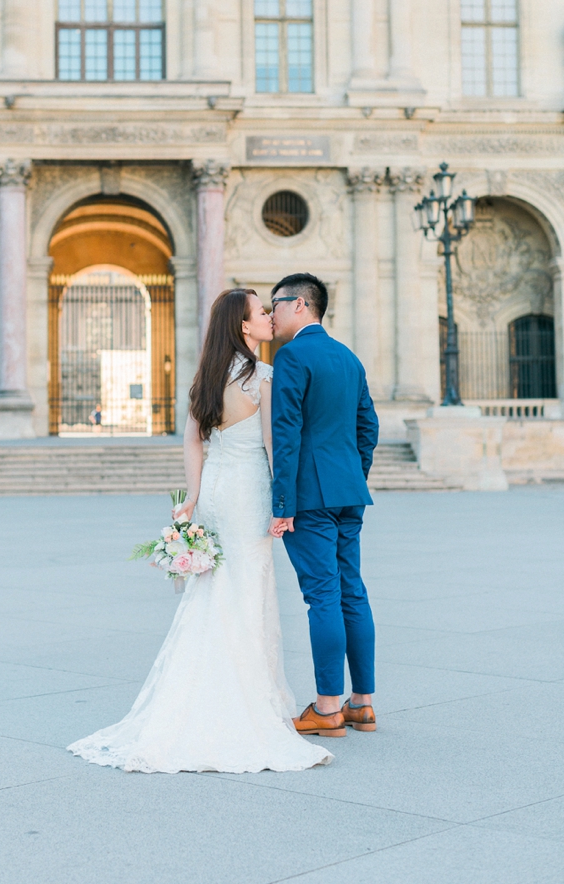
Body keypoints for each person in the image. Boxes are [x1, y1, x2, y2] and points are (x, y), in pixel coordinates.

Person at [67, 288, 332, 773]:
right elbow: (275, 447)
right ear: (243, 327)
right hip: (249, 492)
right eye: (260, 313)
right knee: (249, 592)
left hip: (214, 493)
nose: (270, 318)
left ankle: (196, 693)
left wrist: (191, 496)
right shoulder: (264, 377)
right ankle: (245, 701)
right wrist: (283, 504)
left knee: (212, 594)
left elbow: (193, 440)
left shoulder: (208, 378)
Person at [269, 273, 379, 739]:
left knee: (322, 596)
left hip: (309, 496)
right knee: (352, 590)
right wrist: (352, 477)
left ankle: (328, 707)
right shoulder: (349, 358)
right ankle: (362, 704)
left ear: (299, 306)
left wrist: (282, 503)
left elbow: (287, 433)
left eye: (275, 304)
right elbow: (367, 428)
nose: (270, 313)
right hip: (348, 491)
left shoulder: (293, 355)